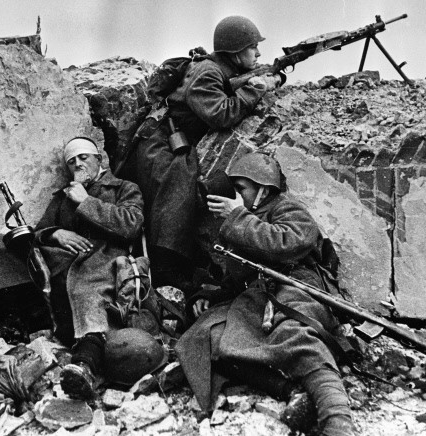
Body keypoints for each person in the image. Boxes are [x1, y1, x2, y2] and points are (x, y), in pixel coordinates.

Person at [176, 153, 355, 436]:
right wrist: (208, 296)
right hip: (255, 297)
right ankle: (293, 391)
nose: (235, 196)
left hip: (295, 285)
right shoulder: (240, 219)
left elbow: (289, 242)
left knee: (295, 334)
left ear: (263, 189)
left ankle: (337, 421)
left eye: (241, 189)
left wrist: (238, 216)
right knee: (203, 340)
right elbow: (239, 276)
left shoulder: (286, 209)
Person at [135, 16, 283, 294]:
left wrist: (274, 75)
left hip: (174, 137)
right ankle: (167, 269)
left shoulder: (219, 68)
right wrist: (255, 90)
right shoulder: (208, 72)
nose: (258, 53)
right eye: (253, 47)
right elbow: (221, 114)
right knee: (179, 186)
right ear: (235, 52)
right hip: (160, 142)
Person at [33, 137, 145, 399]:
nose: (78, 164)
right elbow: (38, 232)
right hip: (66, 263)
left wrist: (85, 202)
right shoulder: (63, 197)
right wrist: (56, 234)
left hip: (107, 258)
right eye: (72, 162)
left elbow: (131, 224)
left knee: (89, 290)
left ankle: (85, 363)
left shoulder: (123, 188)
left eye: (83, 158)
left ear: (99, 160)